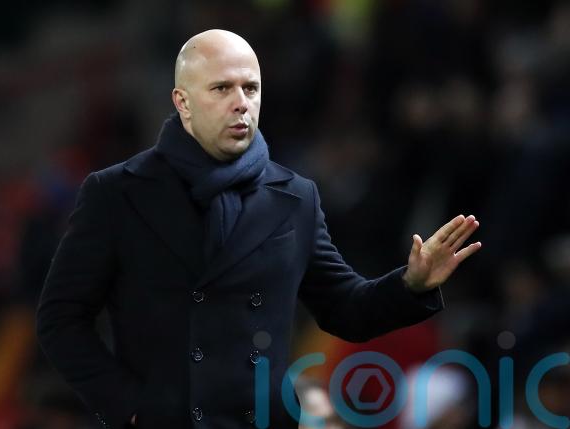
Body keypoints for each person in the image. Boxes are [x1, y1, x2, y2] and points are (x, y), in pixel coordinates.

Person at [36, 29, 481, 429]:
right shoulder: (117, 193)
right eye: (221, 88)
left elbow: (345, 309)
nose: (241, 103)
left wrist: (411, 284)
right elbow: (60, 319)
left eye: (250, 88)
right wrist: (128, 406)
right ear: (182, 102)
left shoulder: (295, 197)